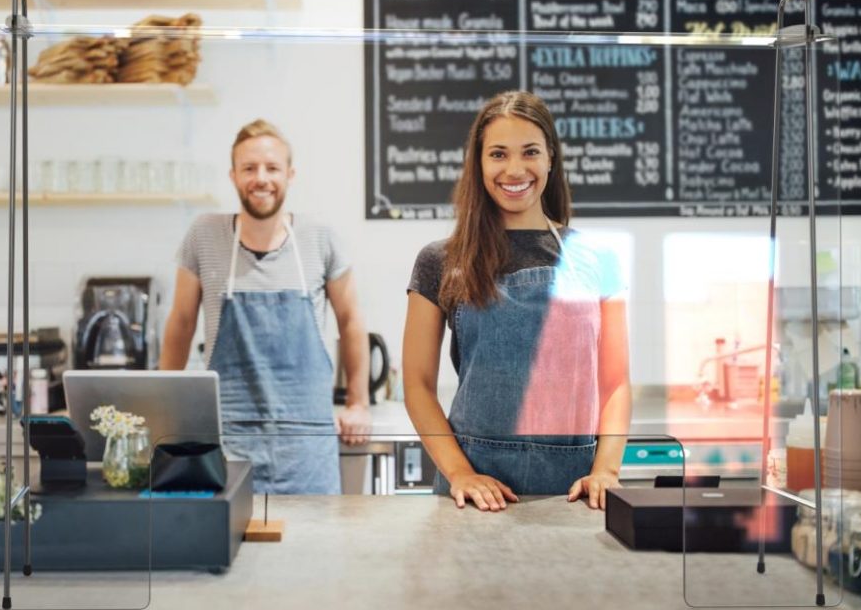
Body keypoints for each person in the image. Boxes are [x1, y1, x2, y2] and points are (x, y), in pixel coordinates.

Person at [402, 91, 631, 512]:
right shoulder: (440, 260)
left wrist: (606, 471)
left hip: (575, 488)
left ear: (550, 159)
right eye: (498, 154)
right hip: (476, 488)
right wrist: (460, 473)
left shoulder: (597, 258)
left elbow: (615, 382)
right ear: (478, 164)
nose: (514, 169)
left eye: (530, 152)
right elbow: (416, 385)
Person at [160, 119, 372, 494]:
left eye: (272, 168)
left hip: (307, 447)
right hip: (228, 442)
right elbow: (181, 323)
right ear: (233, 176)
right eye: (249, 168)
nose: (261, 179)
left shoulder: (320, 237)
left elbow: (351, 321)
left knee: (314, 532)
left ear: (290, 174)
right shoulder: (204, 235)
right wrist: (165, 406)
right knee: (230, 532)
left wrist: (358, 403)